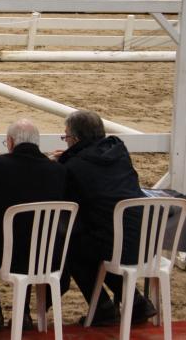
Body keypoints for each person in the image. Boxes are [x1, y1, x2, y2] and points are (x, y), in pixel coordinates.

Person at [0, 119, 67, 332]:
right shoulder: (56, 170)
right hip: (47, 254)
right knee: (30, 237)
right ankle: (25, 312)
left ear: (10, 142)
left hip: (4, 254)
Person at [55, 110, 156, 326]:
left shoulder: (75, 166)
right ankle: (136, 302)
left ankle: (103, 307)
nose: (65, 142)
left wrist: (61, 163)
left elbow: (67, 200)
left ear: (77, 139)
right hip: (145, 239)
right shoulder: (118, 151)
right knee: (101, 243)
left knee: (73, 247)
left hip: (115, 243)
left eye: (66, 137)